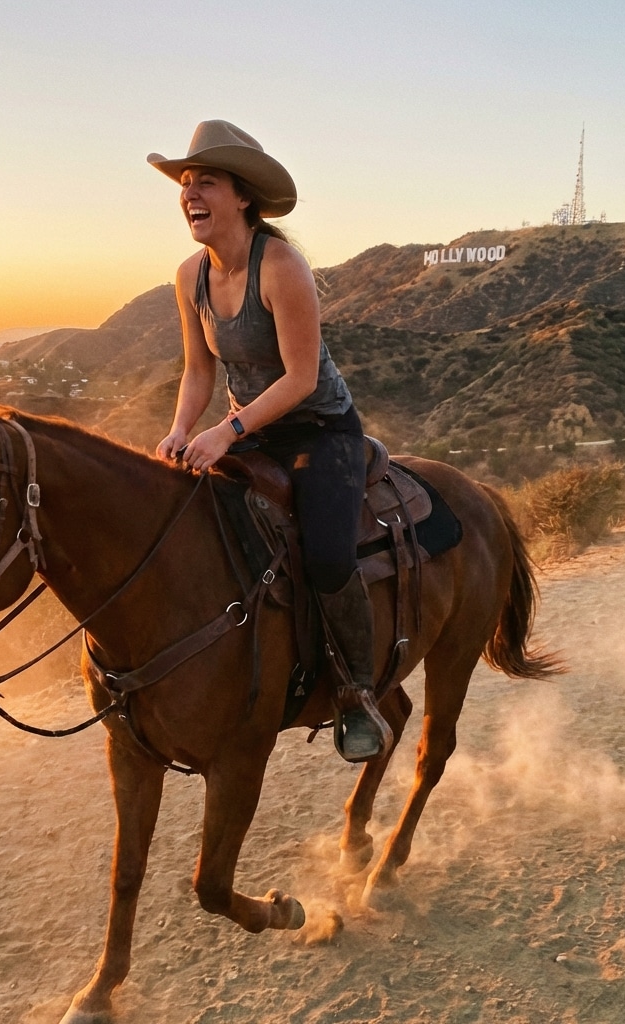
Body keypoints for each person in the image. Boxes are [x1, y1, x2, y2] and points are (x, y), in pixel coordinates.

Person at [149, 119, 392, 763]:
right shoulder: (189, 277)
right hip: (247, 431)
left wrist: (226, 433)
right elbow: (199, 370)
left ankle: (356, 693)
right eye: (185, 182)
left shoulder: (280, 266)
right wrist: (180, 430)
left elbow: (302, 378)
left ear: (243, 197)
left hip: (319, 431)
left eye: (206, 181)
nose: (190, 192)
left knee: (329, 559)